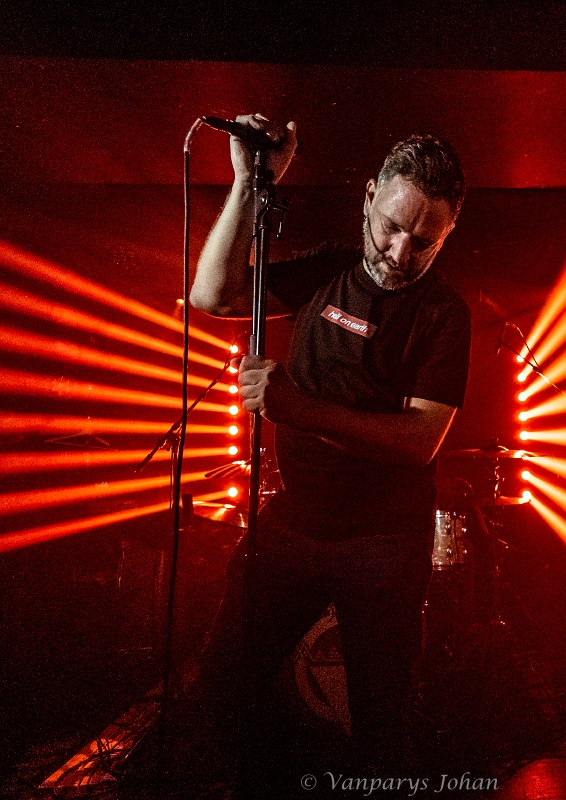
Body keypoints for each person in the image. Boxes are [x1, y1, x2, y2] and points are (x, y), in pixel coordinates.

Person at [189, 114, 471, 794]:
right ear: (369, 197)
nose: (399, 252)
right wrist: (248, 184)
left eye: (424, 242)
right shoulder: (331, 270)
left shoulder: (443, 314)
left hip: (383, 545)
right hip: (294, 524)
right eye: (391, 227)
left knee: (380, 731)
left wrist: (295, 408)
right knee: (221, 687)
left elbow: (420, 441)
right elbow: (210, 294)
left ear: (447, 236)